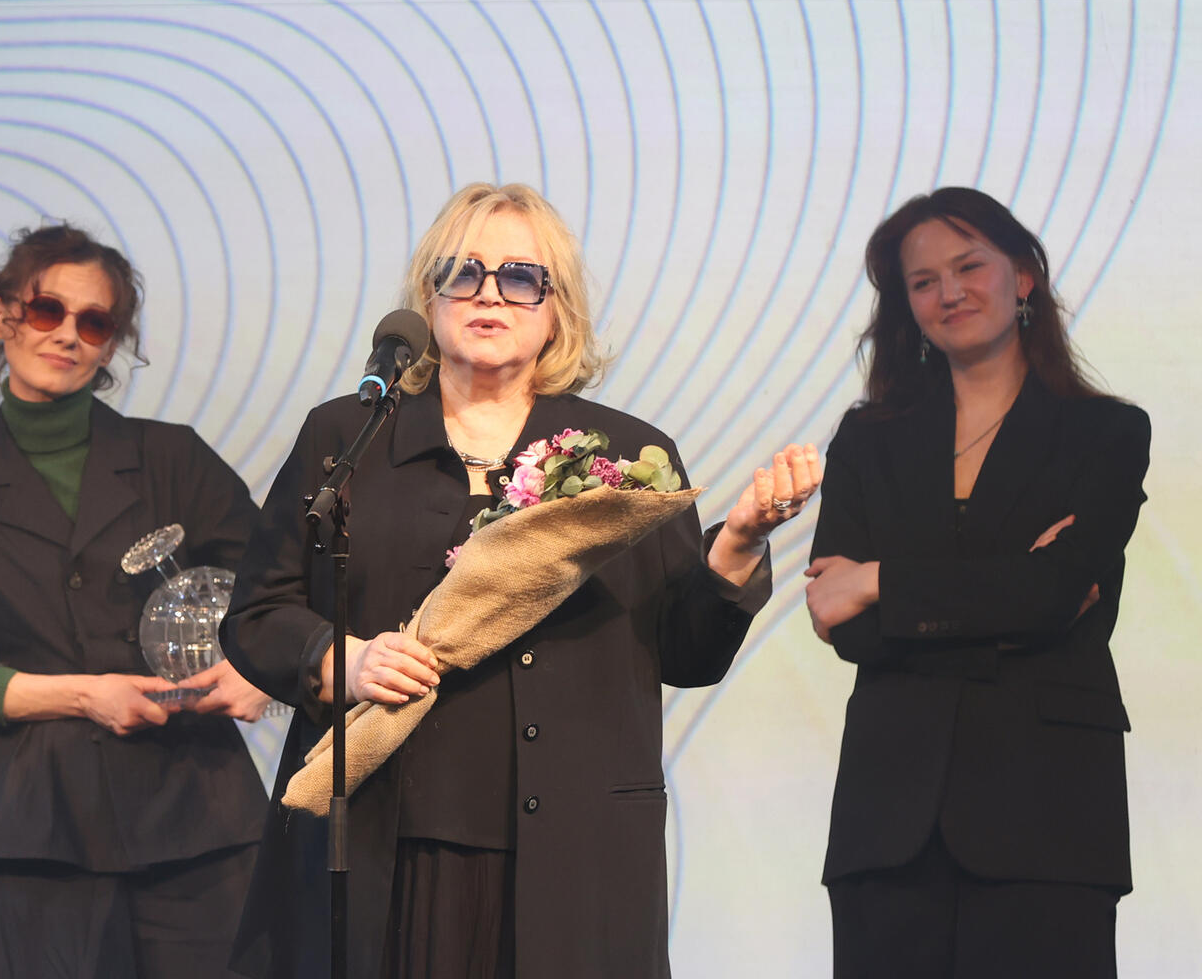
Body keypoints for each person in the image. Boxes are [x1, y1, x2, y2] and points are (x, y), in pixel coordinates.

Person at [220, 182, 821, 979]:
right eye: (463, 272)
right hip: (382, 844)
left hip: (575, 858)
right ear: (429, 296)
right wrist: (343, 660)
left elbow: (687, 653)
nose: (489, 294)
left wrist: (738, 542)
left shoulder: (625, 458)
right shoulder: (349, 437)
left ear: (556, 307)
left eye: (520, 277)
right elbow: (258, 613)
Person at [0, 224, 273, 978]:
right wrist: (83, 696)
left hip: (200, 816)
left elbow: (277, 592)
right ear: (2, 315)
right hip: (37, 831)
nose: (67, 334)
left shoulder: (173, 457)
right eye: (46, 310)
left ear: (110, 345)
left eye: (94, 322)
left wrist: (258, 672)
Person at [804, 186, 1150, 978]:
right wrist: (1011, 591)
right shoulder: (868, 438)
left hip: (1049, 815)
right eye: (923, 282)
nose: (949, 292)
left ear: (1022, 276)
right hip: (888, 824)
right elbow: (845, 623)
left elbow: (1053, 595)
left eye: (969, 267)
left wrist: (880, 579)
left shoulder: (1106, 432)